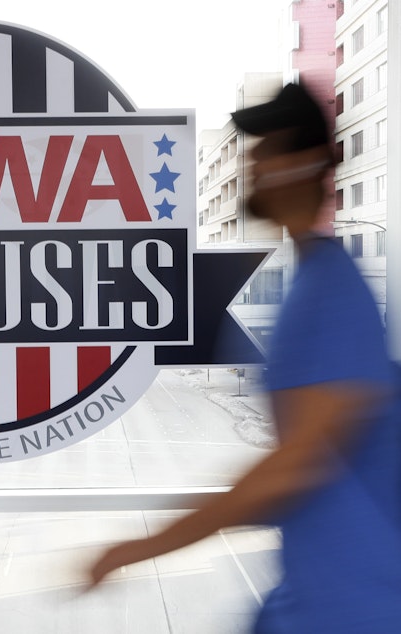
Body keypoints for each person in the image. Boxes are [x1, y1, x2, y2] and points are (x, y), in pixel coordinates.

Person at [86, 82, 401, 632]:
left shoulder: (333, 293)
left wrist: (145, 546)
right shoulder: (309, 283)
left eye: (267, 148)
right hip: (310, 601)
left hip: (355, 608)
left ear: (307, 163)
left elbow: (297, 465)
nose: (252, 161)